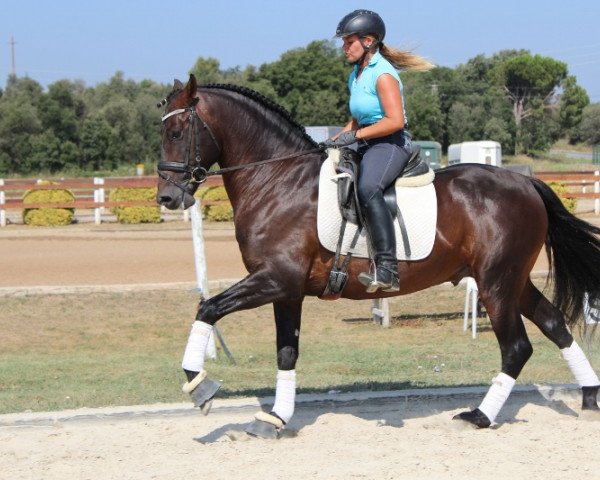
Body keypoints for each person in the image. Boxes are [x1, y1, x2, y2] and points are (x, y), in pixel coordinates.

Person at [321, 9, 433, 293]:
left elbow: (394, 120)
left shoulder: (383, 74)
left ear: (369, 41)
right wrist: (340, 136)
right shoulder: (356, 75)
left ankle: (387, 269)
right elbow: (359, 116)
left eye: (349, 42)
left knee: (369, 187)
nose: (344, 48)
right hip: (367, 139)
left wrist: (355, 135)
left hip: (391, 142)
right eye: (344, 42)